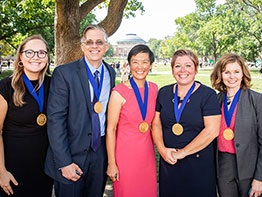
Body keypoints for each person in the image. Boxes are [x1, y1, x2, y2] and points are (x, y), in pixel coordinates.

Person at [44, 24, 116, 197]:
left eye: (99, 42)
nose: (94, 46)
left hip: (99, 154)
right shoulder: (64, 73)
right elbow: (55, 120)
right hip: (71, 153)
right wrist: (64, 162)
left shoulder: (111, 73)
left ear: (106, 47)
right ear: (82, 46)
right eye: (89, 42)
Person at [152, 49, 221, 197]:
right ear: (172, 70)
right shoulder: (164, 93)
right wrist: (162, 150)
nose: (183, 70)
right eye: (177, 66)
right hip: (169, 162)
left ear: (196, 68)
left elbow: (212, 131)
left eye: (188, 65)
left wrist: (182, 153)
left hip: (198, 164)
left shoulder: (208, 95)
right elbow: (156, 124)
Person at [0, 35, 53, 196]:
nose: (36, 57)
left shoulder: (55, 84)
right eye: (30, 52)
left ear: (47, 57)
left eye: (41, 53)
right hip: (12, 169)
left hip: (44, 168)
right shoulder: (6, 87)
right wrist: (1, 171)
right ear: (21, 56)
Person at [106, 44, 158, 197]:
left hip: (147, 156)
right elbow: (111, 129)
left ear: (151, 64)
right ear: (129, 65)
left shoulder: (154, 89)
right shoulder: (118, 93)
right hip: (124, 157)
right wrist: (111, 163)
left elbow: (155, 124)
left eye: (144, 62)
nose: (140, 66)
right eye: (135, 62)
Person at [210, 53, 262, 197]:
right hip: (223, 166)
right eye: (227, 72)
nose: (232, 76)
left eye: (236, 72)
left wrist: (260, 178)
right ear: (220, 75)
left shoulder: (257, 100)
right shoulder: (215, 100)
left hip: (250, 167)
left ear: (243, 74)